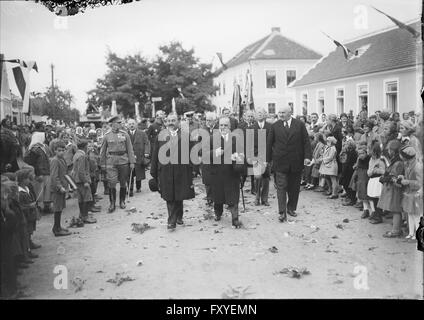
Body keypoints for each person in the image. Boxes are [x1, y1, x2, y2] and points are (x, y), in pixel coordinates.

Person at [266, 106, 312, 222]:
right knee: (281, 187)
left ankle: (291, 208)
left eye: (283, 112)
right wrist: (267, 160)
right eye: (279, 112)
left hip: (296, 161)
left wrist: (307, 157)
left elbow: (306, 141)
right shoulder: (275, 126)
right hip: (280, 162)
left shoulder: (299, 125)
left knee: (294, 188)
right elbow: (269, 143)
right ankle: (282, 212)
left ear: (290, 113)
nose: (280, 115)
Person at [150, 113, 195, 230]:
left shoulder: (185, 135)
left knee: (179, 195)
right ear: (165, 122)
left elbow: (192, 154)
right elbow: (155, 154)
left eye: (173, 120)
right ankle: (171, 221)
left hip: (181, 170)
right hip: (166, 171)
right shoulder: (161, 136)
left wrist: (193, 170)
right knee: (169, 196)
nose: (170, 122)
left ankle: (179, 216)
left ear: (178, 122)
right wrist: (153, 170)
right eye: (168, 120)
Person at [209, 116, 244, 228]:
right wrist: (215, 152)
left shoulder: (236, 138)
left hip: (232, 173)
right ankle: (218, 213)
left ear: (230, 126)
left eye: (226, 125)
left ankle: (235, 218)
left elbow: (242, 154)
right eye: (221, 125)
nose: (223, 127)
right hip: (217, 172)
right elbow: (203, 153)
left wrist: (237, 157)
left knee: (233, 197)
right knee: (218, 196)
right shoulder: (212, 138)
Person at [100, 116, 136, 212]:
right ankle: (112, 203)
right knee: (112, 183)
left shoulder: (125, 134)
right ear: (113, 124)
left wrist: (132, 162)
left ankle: (122, 201)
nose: (121, 124)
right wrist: (102, 164)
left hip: (123, 161)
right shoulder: (107, 135)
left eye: (120, 123)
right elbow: (102, 151)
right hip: (111, 162)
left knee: (123, 182)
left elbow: (130, 149)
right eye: (119, 123)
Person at [378, 140, 404, 238]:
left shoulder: (398, 162)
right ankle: (396, 229)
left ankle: (396, 230)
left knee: (396, 209)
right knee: (394, 209)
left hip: (395, 189)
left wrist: (385, 178)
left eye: (389, 149)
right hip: (392, 188)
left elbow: (395, 177)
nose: (388, 151)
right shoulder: (395, 160)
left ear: (393, 150)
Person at [24, 131, 53, 214]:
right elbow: (32, 163)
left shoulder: (42, 148)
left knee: (46, 191)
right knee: (40, 192)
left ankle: (46, 207)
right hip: (40, 174)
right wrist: (37, 174)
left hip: (46, 172)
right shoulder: (34, 149)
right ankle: (39, 208)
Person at [398, 146, 422, 241]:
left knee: (416, 216)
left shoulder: (418, 166)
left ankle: (417, 236)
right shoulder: (408, 164)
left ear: (407, 156)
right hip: (409, 193)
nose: (401, 157)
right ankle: (411, 233)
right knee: (410, 214)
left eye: (402, 155)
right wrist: (403, 177)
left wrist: (408, 182)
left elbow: (420, 183)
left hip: (416, 194)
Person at [49, 141, 71, 236]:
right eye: (59, 150)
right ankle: (56, 229)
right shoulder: (55, 160)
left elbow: (65, 173)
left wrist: (70, 185)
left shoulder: (62, 159)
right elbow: (54, 176)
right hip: (57, 189)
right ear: (54, 151)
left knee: (60, 208)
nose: (61, 152)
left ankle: (58, 226)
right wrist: (59, 186)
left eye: (63, 150)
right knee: (57, 209)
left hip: (63, 187)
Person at [72, 139, 97, 224]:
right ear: (85, 147)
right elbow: (81, 171)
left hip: (77, 179)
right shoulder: (82, 156)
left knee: (81, 198)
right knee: (86, 198)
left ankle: (81, 215)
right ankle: (85, 216)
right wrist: (85, 181)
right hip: (82, 180)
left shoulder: (76, 154)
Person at [252, 108, 272, 205]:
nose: (259, 114)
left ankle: (265, 199)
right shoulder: (251, 128)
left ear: (265, 115)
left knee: (266, 177)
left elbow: (272, 143)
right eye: (258, 113)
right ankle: (257, 197)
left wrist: (267, 158)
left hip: (267, 156)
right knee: (257, 177)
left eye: (261, 113)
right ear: (255, 115)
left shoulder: (270, 127)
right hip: (256, 156)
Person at [127, 118, 150, 196]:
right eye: (130, 124)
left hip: (139, 156)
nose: (131, 125)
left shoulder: (142, 133)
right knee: (130, 173)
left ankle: (138, 187)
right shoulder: (125, 134)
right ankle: (130, 189)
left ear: (136, 124)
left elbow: (147, 143)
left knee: (138, 172)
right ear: (127, 125)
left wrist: (146, 152)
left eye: (133, 123)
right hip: (129, 157)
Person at [366, 142, 386, 224]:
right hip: (372, 180)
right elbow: (369, 170)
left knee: (377, 199)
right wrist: (370, 171)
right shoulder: (371, 159)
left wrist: (376, 170)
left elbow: (384, 171)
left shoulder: (381, 160)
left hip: (378, 180)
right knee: (372, 198)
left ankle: (379, 217)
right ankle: (375, 214)